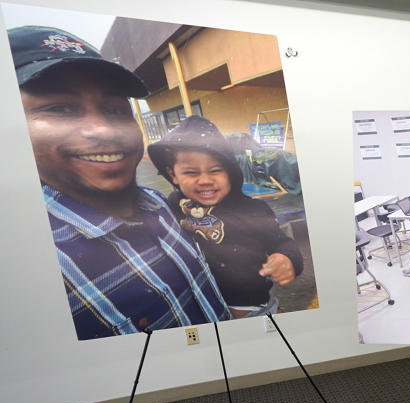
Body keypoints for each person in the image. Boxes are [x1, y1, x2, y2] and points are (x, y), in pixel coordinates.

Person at [10, 26, 230, 339]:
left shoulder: (158, 203)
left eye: (114, 109)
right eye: (60, 109)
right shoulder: (23, 271)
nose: (103, 130)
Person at [148, 116, 304, 317]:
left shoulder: (251, 209)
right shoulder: (171, 205)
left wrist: (287, 258)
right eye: (191, 172)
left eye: (215, 170)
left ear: (230, 170)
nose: (205, 180)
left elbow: (282, 243)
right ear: (173, 174)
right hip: (195, 308)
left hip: (250, 310)